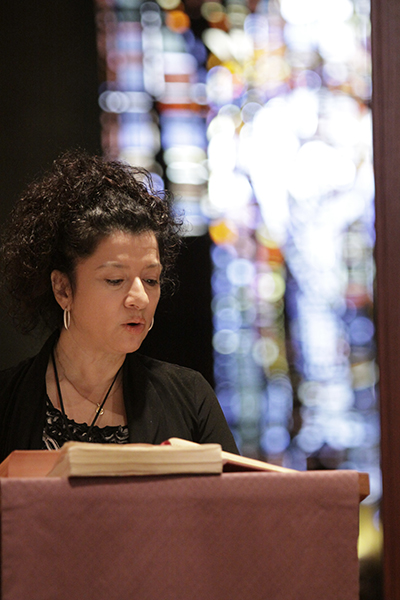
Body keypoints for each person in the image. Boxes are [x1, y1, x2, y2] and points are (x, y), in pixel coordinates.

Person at [0, 150, 238, 462]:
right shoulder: (6, 401)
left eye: (151, 280)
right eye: (115, 280)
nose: (139, 298)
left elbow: (236, 506)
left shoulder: (190, 397)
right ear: (63, 289)